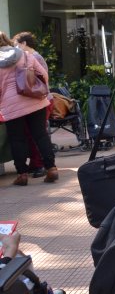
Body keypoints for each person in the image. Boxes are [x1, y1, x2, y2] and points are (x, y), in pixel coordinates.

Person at [0, 32, 58, 186]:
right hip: (35, 101)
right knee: (40, 135)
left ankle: (22, 174)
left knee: (17, 139)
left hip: (11, 106)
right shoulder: (25, 55)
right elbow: (43, 75)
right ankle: (51, 168)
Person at [13, 32, 50, 179]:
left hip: (38, 98)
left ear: (24, 44)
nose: (15, 48)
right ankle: (40, 164)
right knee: (37, 133)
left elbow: (42, 78)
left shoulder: (33, 57)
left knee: (35, 134)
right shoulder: (33, 57)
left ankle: (38, 164)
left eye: (17, 45)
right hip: (38, 98)